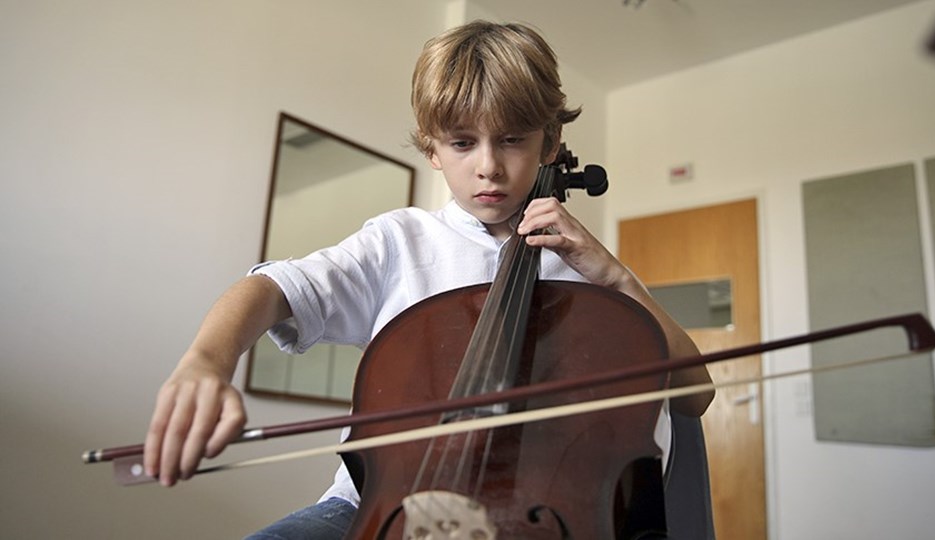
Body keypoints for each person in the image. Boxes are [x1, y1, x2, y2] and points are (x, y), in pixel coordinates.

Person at [143, 20, 715, 539]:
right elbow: (274, 290)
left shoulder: (591, 272)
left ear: (550, 142)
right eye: (463, 143)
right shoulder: (400, 242)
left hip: (545, 515)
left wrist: (614, 277)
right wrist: (206, 362)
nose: (488, 165)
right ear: (432, 149)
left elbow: (695, 392)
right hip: (376, 508)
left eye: (512, 138)